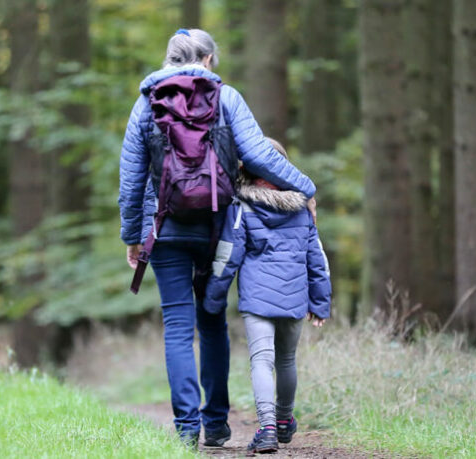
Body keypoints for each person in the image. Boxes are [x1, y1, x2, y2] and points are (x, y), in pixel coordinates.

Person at [118, 29, 317, 447]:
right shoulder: (227, 98)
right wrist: (306, 188)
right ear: (208, 59)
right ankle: (217, 424)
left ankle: (186, 429)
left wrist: (133, 235)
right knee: (212, 322)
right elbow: (261, 155)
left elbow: (131, 179)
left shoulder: (145, 104)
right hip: (218, 228)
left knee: (177, 326)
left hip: (165, 227)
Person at [203, 139, 331, 454]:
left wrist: (213, 297)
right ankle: (285, 421)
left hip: (258, 300)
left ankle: (268, 428)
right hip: (295, 296)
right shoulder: (302, 208)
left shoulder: (242, 207)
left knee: (262, 361)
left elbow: (228, 255)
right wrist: (320, 301)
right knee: (287, 360)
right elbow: (317, 259)